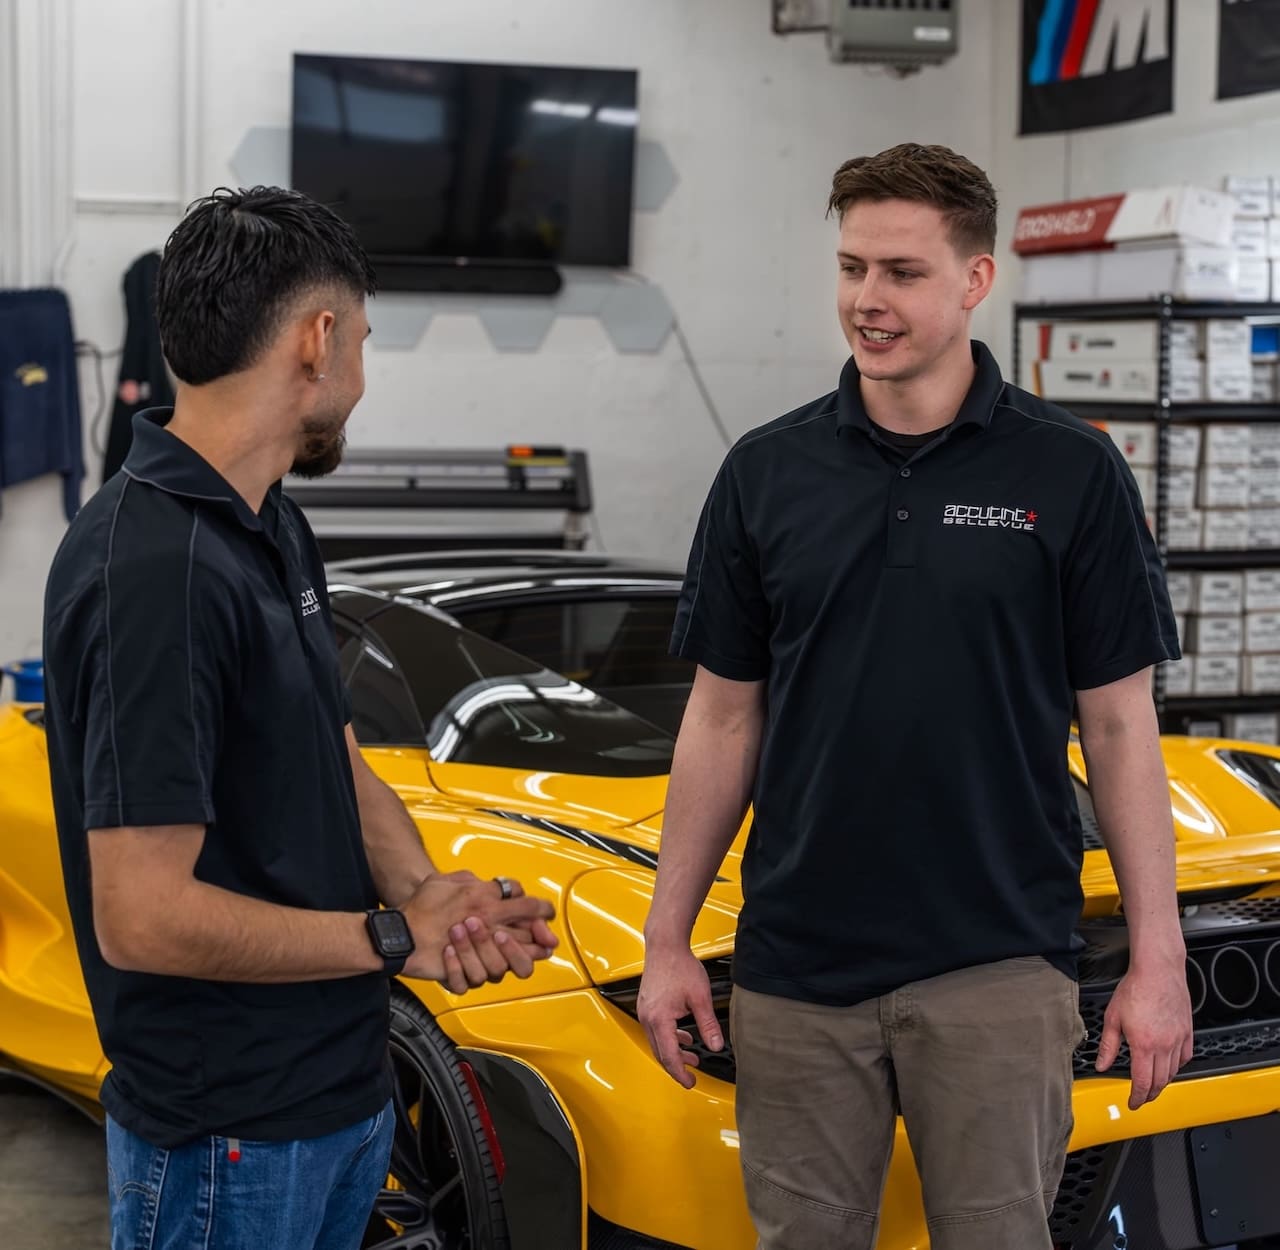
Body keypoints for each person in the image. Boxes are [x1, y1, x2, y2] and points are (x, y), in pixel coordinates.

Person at [637, 144, 1193, 1250]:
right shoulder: (764, 471)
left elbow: (1122, 725)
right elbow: (721, 715)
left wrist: (1155, 958)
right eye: (849, 267)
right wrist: (666, 937)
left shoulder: (1068, 472)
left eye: (899, 271)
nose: (864, 301)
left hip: (996, 961)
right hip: (796, 970)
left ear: (974, 281)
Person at [42, 185, 558, 1250]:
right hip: (228, 1137)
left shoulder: (268, 521)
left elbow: (334, 754)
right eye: (363, 340)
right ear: (318, 340)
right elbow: (141, 915)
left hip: (335, 1094)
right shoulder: (155, 567)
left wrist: (428, 896)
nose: (361, 375)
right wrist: (386, 934)